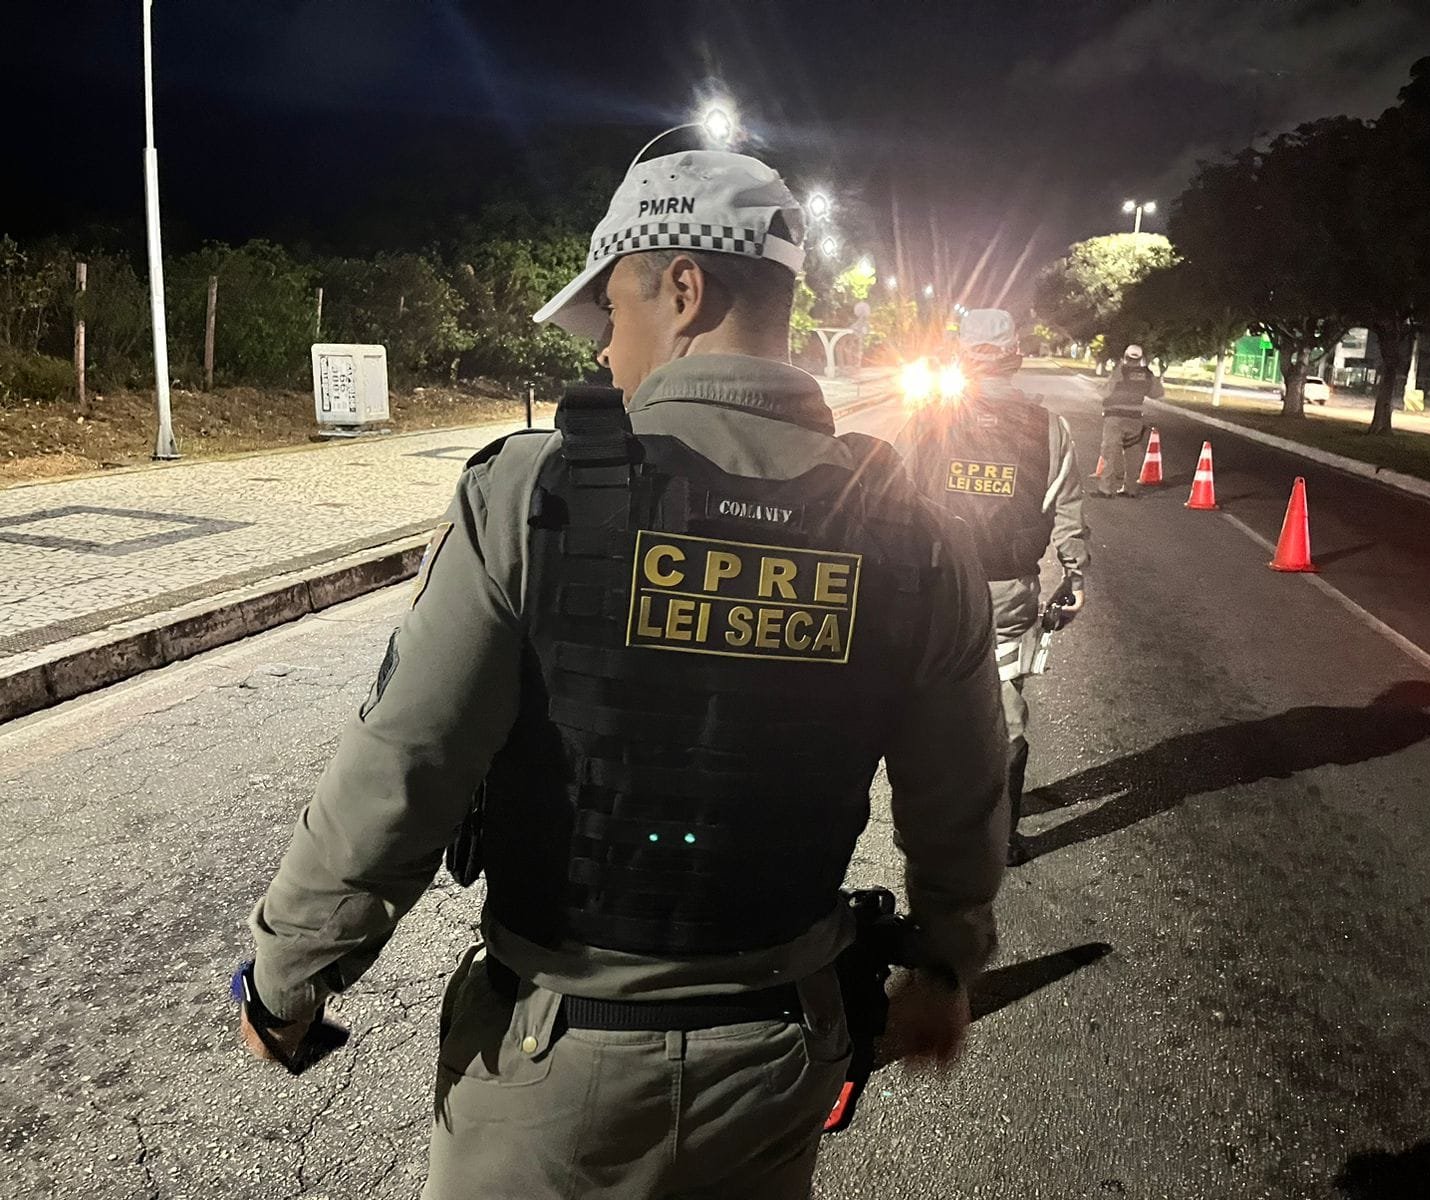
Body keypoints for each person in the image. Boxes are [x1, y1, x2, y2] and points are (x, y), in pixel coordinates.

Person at [236, 147, 1008, 1200]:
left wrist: (287, 977)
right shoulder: (917, 537)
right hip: (782, 1054)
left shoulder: (534, 495)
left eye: (609, 312)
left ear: (683, 288)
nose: (602, 351)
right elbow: (961, 797)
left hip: (558, 1064)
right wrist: (948, 959)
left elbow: (408, 763)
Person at [894, 308, 1089, 867]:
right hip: (1008, 592)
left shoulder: (927, 419)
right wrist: (1074, 576)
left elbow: (892, 498)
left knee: (922, 704)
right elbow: (1067, 511)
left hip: (933, 588)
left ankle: (921, 830)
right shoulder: (1049, 428)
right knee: (1004, 708)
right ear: (1014, 357)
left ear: (962, 356)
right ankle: (997, 837)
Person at [1098, 343, 1163, 497]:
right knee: (1133, 454)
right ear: (1140, 358)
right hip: (1135, 420)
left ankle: (1105, 489)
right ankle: (1130, 489)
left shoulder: (1120, 371)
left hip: (1115, 418)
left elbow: (1106, 392)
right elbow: (1157, 393)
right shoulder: (1147, 374)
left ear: (1125, 357)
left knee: (1109, 452)